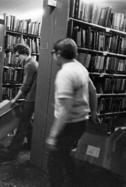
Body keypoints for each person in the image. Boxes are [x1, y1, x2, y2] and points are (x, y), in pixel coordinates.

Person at [46, 38, 98, 187]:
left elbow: (65, 109)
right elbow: (93, 90)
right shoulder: (81, 68)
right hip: (81, 122)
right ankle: (77, 181)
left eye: (54, 53)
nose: (53, 56)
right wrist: (94, 113)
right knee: (65, 154)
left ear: (59, 53)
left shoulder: (65, 74)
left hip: (68, 125)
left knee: (53, 162)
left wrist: (53, 135)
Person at [2, 43, 39, 160]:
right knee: (27, 122)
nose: (16, 59)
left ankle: (12, 152)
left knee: (23, 124)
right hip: (32, 97)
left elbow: (25, 86)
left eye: (18, 56)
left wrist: (14, 99)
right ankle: (31, 145)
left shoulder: (29, 65)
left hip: (31, 98)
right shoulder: (32, 63)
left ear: (24, 53)